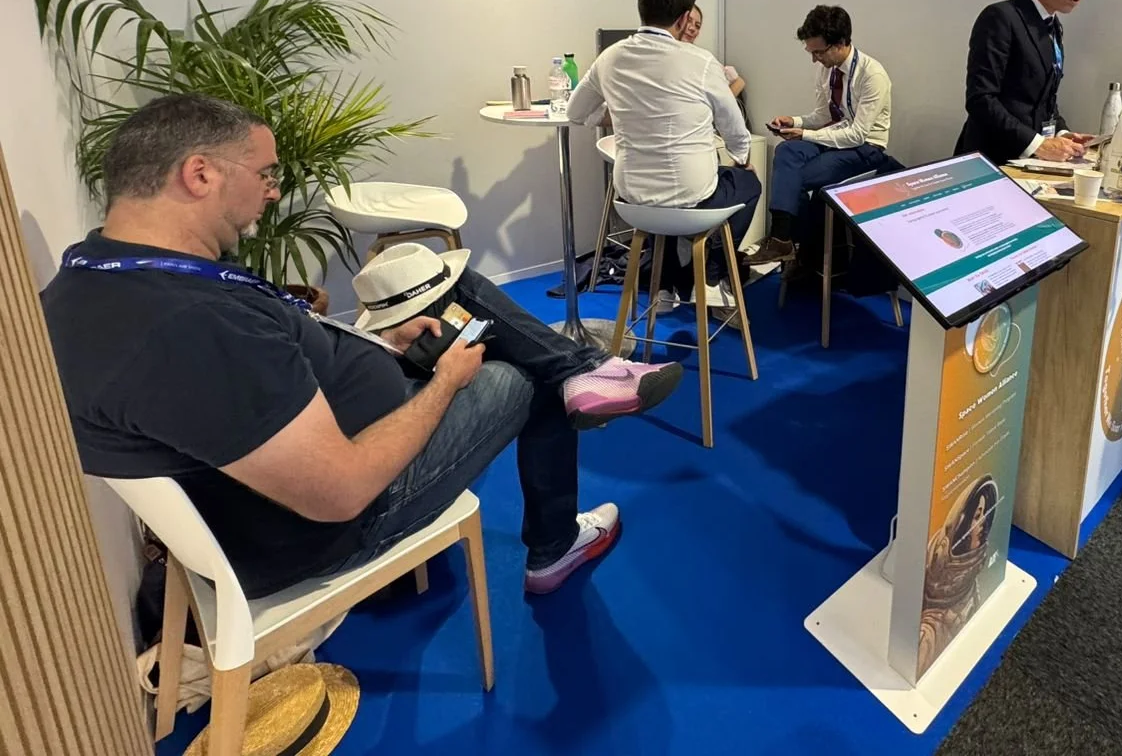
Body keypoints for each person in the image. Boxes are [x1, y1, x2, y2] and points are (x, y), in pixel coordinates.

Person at [42, 94, 684, 599]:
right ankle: (556, 530)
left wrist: (371, 339)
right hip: (331, 525)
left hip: (293, 467)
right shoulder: (186, 326)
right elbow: (340, 491)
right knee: (518, 375)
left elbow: (254, 383)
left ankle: (584, 376)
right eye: (263, 173)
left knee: (452, 300)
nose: (272, 191)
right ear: (200, 173)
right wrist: (443, 386)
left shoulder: (98, 275)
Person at [568, 0, 761, 304]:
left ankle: (665, 287)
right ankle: (710, 275)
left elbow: (575, 112)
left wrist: (620, 114)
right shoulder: (701, 62)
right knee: (747, 184)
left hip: (632, 201)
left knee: (663, 201)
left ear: (641, 6)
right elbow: (735, 130)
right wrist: (743, 159)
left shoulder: (609, 58)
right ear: (686, 17)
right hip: (691, 197)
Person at [746, 5, 893, 266]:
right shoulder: (828, 69)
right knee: (786, 151)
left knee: (796, 176)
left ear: (840, 43)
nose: (815, 59)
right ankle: (783, 239)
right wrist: (795, 122)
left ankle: (798, 251)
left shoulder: (873, 75)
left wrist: (805, 134)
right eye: (811, 52)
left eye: (818, 52)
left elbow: (857, 135)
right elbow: (823, 116)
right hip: (834, 138)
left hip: (866, 149)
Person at [955, 0, 1097, 164]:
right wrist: (1039, 144)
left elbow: (1042, 100)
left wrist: (1062, 134)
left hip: (1026, 164)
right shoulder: (1001, 17)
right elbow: (981, 99)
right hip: (990, 160)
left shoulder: (1054, 26)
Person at [683, 4, 746, 98]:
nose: (692, 28)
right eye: (688, 21)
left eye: (697, 26)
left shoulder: (703, 58)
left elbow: (740, 82)